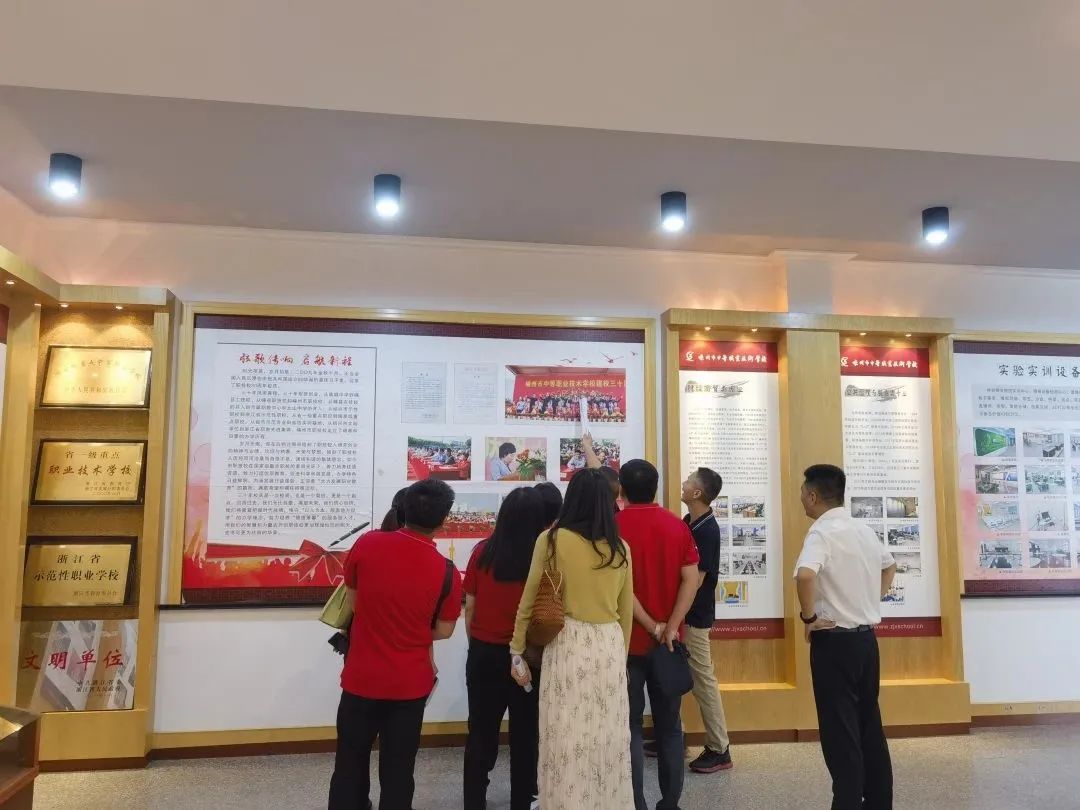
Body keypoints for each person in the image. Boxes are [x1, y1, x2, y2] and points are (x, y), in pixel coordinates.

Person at [329, 479, 463, 810]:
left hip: (361, 678)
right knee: (399, 769)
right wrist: (413, 629)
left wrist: (382, 622)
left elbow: (355, 603)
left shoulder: (367, 544)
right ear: (444, 520)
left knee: (349, 764)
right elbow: (445, 630)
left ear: (404, 509)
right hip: (409, 686)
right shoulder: (447, 571)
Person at [510, 468, 634, 809]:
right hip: (609, 646)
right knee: (606, 739)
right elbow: (625, 613)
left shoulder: (552, 540)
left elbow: (529, 599)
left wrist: (516, 650)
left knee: (565, 736)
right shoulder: (621, 548)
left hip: (569, 644)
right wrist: (620, 660)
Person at [794, 464, 897, 810]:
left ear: (812, 496)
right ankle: (879, 802)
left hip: (834, 643)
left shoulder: (821, 533)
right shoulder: (862, 529)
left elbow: (805, 575)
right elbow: (890, 566)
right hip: (866, 642)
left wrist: (809, 618)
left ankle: (848, 803)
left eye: (802, 493)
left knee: (840, 734)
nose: (801, 499)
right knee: (869, 725)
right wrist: (870, 599)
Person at [616, 459, 700, 810]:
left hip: (626, 643)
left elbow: (621, 587)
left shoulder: (613, 526)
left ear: (621, 489)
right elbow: (691, 579)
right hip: (668, 644)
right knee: (670, 727)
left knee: (631, 728)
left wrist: (651, 625)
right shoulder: (676, 526)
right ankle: (670, 802)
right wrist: (670, 626)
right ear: (656, 487)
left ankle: (635, 802)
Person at [463, 488, 549, 810]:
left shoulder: (482, 552)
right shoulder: (543, 558)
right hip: (527, 657)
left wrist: (477, 646)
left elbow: (470, 608)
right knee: (526, 735)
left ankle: (474, 801)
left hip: (484, 653)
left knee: (480, 732)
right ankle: (523, 801)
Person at [676, 467, 733, 773]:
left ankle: (719, 748)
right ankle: (673, 736)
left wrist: (676, 615)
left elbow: (695, 581)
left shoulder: (707, 530)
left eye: (688, 482)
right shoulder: (690, 522)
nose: (683, 484)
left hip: (694, 617)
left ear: (697, 493)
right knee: (672, 675)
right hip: (682, 615)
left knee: (703, 680)